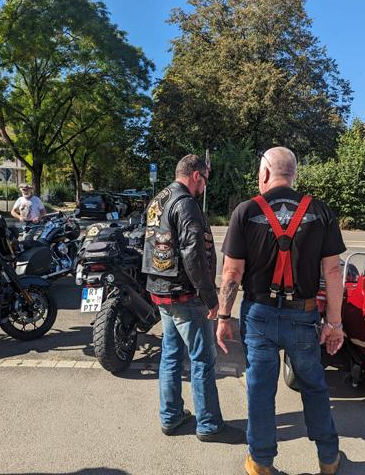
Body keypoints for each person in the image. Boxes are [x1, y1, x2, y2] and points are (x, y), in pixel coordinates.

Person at [215, 147, 346, 475]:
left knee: (260, 390)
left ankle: (261, 462)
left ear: (264, 174)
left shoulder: (246, 211)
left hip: (259, 315)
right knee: (314, 387)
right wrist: (334, 324)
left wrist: (224, 317)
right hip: (303, 316)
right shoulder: (320, 211)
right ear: (294, 175)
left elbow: (231, 273)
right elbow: (333, 271)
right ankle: (329, 458)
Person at [142, 154, 244, 444]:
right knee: (203, 360)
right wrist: (211, 299)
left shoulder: (159, 199)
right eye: (205, 180)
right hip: (184, 293)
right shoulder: (186, 203)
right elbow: (193, 254)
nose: (204, 186)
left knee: (171, 355)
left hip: (161, 290)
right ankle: (209, 424)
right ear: (196, 175)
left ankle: (171, 416)